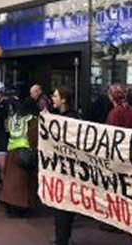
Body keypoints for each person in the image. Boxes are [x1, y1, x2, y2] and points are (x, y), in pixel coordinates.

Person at [0, 97, 39, 217]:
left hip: (11, 152)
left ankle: (9, 205)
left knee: (10, 183)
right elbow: (34, 137)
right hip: (25, 153)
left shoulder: (14, 118)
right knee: (23, 185)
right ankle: (21, 208)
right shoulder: (31, 119)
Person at [50, 85, 79, 245]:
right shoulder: (54, 115)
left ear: (64, 99)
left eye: (55, 96)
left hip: (69, 171)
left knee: (64, 207)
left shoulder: (73, 118)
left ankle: (62, 238)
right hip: (58, 169)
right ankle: (62, 236)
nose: (52, 99)